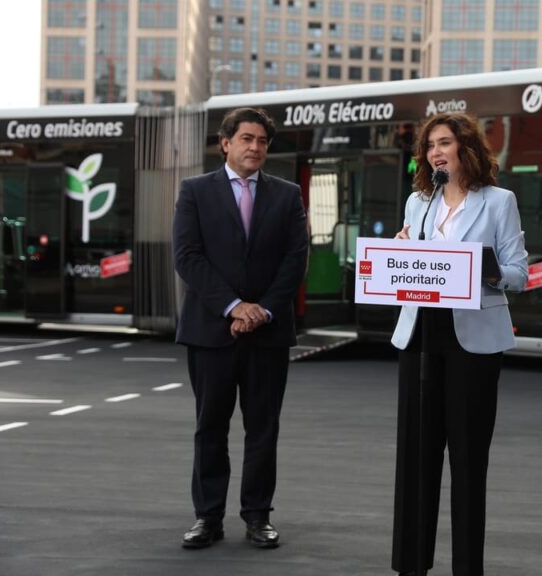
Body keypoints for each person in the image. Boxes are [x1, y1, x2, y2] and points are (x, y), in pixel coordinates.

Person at [390, 112, 528, 576]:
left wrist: (486, 269)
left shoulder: (498, 202)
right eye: (429, 146)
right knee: (416, 460)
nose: (434, 153)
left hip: (473, 343)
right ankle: (412, 564)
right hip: (419, 338)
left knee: (467, 462)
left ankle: (467, 568)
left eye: (443, 143)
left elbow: (519, 275)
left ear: (466, 148)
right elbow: (413, 264)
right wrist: (401, 252)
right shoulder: (418, 203)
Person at [172, 107, 308, 549]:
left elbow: (295, 261)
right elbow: (188, 257)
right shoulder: (194, 191)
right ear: (225, 143)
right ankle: (207, 517)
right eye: (247, 138)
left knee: (263, 428)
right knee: (209, 426)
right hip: (210, 332)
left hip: (268, 332)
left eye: (263, 141)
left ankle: (257, 516)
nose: (255, 147)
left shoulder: (288, 196)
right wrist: (233, 307)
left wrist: (262, 311)